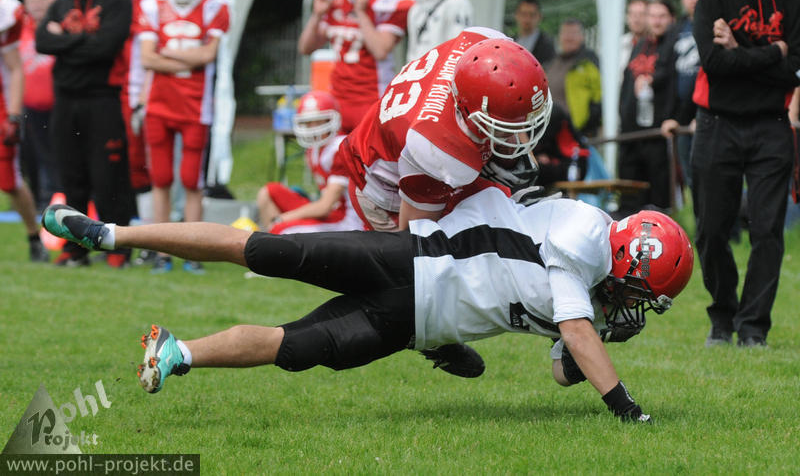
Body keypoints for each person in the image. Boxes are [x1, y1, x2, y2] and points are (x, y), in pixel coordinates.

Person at [42, 188, 694, 423]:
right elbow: (574, 330)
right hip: (410, 259)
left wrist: (595, 349)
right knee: (266, 250)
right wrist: (625, 407)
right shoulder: (584, 235)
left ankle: (177, 352)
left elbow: (562, 364)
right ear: (628, 257)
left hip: (411, 321)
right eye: (641, 290)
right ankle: (109, 233)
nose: (634, 303)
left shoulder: (593, 302)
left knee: (297, 349)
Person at [337, 28, 552, 231]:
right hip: (384, 189)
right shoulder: (438, 148)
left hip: (411, 140)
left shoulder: (483, 43)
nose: (517, 136)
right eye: (508, 126)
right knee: (444, 250)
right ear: (474, 116)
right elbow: (416, 238)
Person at [692, 0, 800, 348]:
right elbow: (712, 62)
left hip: (772, 124)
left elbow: (795, 71)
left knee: (767, 230)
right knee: (710, 230)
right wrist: (774, 52)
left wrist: (739, 50)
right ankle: (722, 315)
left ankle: (753, 328)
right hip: (716, 122)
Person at [35, 0, 134, 268]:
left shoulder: (117, 2)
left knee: (108, 175)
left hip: (102, 99)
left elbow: (107, 47)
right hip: (66, 100)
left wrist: (64, 40)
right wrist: (83, 42)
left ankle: (119, 247)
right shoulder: (62, 3)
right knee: (71, 175)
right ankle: (75, 248)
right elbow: (42, 42)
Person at [137, 0, 230, 274]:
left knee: (192, 180)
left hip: (195, 108)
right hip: (159, 105)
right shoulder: (152, 6)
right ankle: (162, 251)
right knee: (161, 178)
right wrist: (189, 58)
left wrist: (166, 54)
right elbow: (147, 58)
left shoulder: (215, 7)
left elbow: (207, 56)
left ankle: (194, 251)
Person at [298, 0, 416, 133]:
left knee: (369, 151)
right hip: (338, 96)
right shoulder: (334, 0)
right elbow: (305, 48)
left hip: (373, 96)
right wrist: (317, 15)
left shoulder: (386, 1)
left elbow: (380, 50)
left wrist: (361, 13)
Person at [256, 91, 365, 233]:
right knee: (269, 191)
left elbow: (325, 207)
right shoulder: (313, 150)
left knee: (280, 230)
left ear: (331, 120)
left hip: (346, 220)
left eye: (318, 121)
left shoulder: (339, 150)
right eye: (308, 122)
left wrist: (282, 219)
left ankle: (271, 239)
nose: (313, 127)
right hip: (330, 211)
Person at [105, 0, 154, 225]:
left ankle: (154, 233)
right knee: (107, 164)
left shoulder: (155, 5)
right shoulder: (101, 3)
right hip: (105, 93)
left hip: (141, 94)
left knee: (143, 165)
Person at [0, 0, 50, 262]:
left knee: (9, 182)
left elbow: (15, 67)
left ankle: (34, 237)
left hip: (1, 103)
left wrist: (14, 116)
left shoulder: (5, 10)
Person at [617, 0, 676, 215]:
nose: (656, 21)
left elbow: (670, 78)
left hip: (656, 133)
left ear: (671, 19)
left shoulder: (673, 44)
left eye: (662, 16)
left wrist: (652, 79)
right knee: (629, 198)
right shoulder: (640, 45)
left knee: (656, 202)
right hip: (630, 134)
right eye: (652, 16)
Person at [19, 0, 60, 212]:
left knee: (56, 155)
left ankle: (56, 199)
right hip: (28, 106)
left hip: (57, 105)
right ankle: (38, 201)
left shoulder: (56, 27)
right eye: (32, 1)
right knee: (32, 156)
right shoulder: (18, 30)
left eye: (40, 1)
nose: (36, 6)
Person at [660, 0, 702, 190]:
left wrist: (704, 116)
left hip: (708, 117)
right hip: (682, 119)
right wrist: (671, 117)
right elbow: (669, 75)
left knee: (712, 180)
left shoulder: (715, 25)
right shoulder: (676, 30)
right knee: (691, 180)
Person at [544, 18, 602, 138]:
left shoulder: (589, 63)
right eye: (565, 33)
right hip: (550, 131)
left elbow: (599, 98)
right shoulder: (553, 62)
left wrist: (587, 127)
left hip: (578, 134)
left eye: (573, 34)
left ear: (582, 37)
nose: (569, 38)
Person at [532, 103, 589, 187]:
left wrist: (542, 158)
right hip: (559, 162)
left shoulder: (555, 115)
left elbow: (573, 174)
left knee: (535, 169)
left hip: (571, 163)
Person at [513, 0, 555, 67]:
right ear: (516, 15)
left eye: (532, 15)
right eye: (524, 14)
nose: (527, 19)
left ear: (539, 17)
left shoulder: (547, 44)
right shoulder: (511, 41)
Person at [620, 0, 648, 76]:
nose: (636, 19)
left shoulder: (657, 44)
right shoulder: (618, 45)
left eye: (641, 14)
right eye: (632, 14)